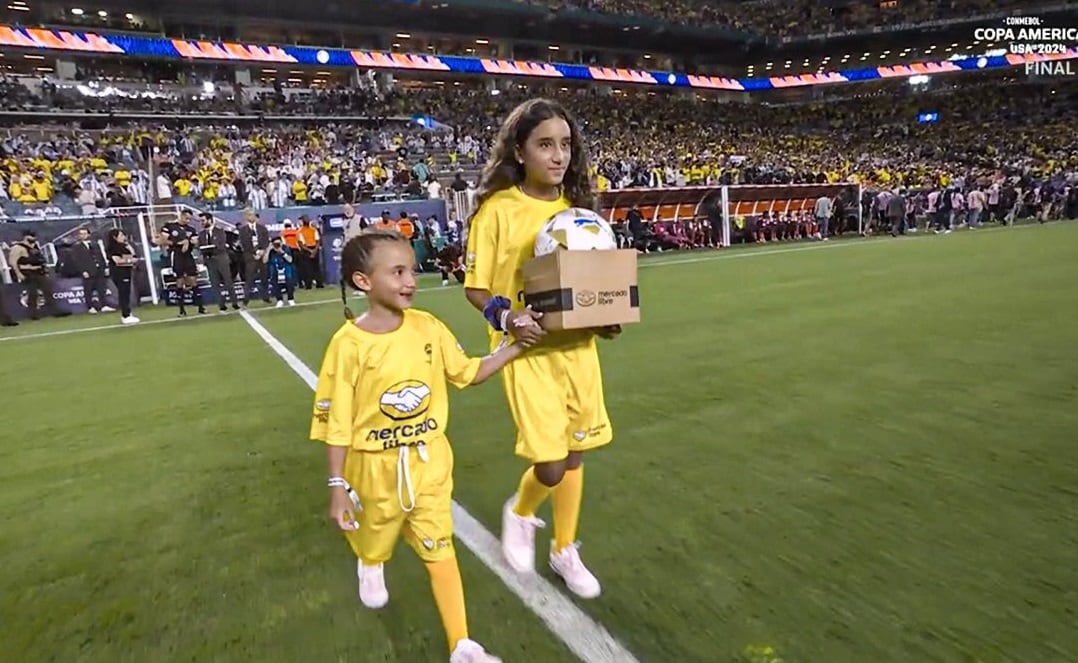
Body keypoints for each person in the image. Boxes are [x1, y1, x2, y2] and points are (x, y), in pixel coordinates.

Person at [311, 229, 528, 663]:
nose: (410, 280)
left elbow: (467, 372)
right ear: (363, 282)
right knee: (373, 539)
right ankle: (371, 560)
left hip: (430, 463)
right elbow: (336, 423)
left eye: (412, 269)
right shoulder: (348, 345)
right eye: (397, 272)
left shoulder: (428, 326)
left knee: (440, 548)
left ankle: (462, 645)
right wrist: (337, 485)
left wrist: (516, 347)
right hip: (374, 470)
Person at [462, 98, 620, 599]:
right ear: (520, 151)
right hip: (525, 352)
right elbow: (476, 286)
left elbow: (594, 283)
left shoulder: (577, 214)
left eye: (565, 146)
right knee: (549, 463)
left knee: (575, 456)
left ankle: (565, 548)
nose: (558, 156)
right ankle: (523, 512)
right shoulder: (496, 211)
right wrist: (505, 316)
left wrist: (606, 315)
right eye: (545, 145)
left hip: (576, 349)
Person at [105, 228, 140, 325]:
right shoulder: (112, 248)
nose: (123, 237)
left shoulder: (124, 246)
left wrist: (128, 247)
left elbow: (133, 255)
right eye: (121, 235)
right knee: (123, 293)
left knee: (126, 292)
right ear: (114, 237)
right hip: (119, 273)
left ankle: (128, 312)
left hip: (127, 271)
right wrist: (130, 261)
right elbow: (118, 261)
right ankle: (125, 315)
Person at [263, 235, 296, 307]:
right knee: (275, 285)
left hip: (286, 270)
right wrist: (268, 250)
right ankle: (279, 300)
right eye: (275, 244)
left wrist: (282, 252)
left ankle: (290, 299)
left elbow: (290, 260)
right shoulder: (271, 251)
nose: (277, 245)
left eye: (279, 243)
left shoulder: (286, 248)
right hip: (275, 271)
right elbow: (264, 261)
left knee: (289, 284)